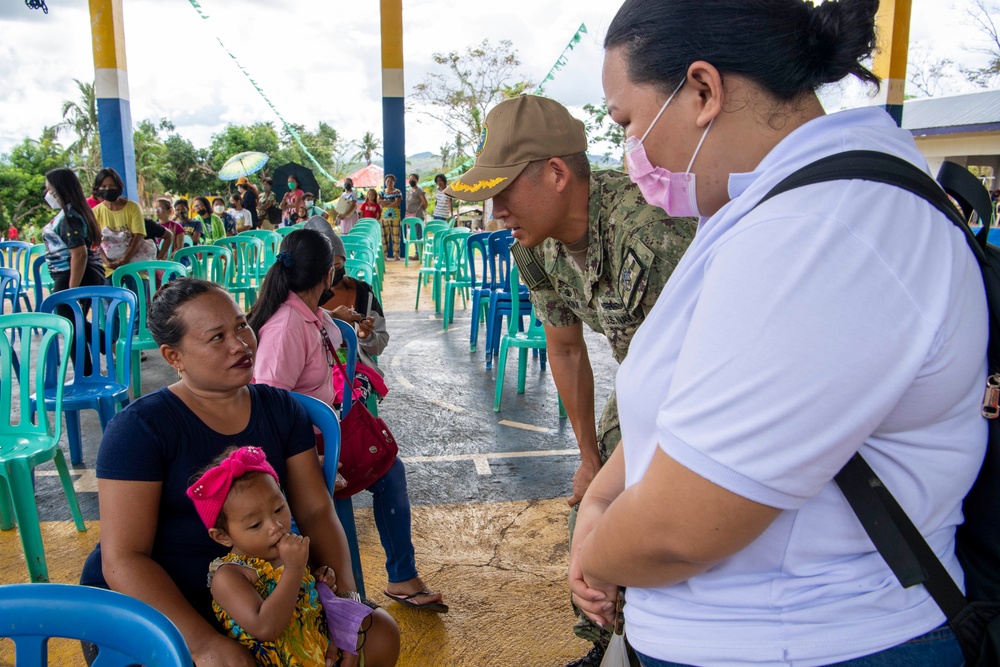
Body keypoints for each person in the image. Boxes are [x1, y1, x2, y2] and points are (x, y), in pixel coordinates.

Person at [568, 2, 988, 666]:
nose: (632, 152)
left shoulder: (826, 229)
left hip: (817, 641)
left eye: (628, 122)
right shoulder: (764, 208)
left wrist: (595, 551)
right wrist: (602, 496)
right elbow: (688, 400)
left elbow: (685, 523)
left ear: (703, 91)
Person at [447, 94, 696, 667]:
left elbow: (705, 363)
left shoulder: (652, 231)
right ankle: (610, 641)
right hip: (644, 385)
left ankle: (650, 640)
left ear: (557, 174)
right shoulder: (534, 251)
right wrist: (588, 454)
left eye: (503, 192)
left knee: (652, 517)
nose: (496, 212)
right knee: (588, 504)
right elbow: (564, 345)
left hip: (699, 389)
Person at [79, 277, 400, 667]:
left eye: (241, 325)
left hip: (264, 592)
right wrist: (202, 644)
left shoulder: (281, 409)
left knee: (378, 636)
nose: (240, 345)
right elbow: (123, 560)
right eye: (216, 337)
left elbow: (316, 512)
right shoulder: (140, 429)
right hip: (165, 606)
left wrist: (343, 606)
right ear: (173, 356)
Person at [249, 229, 447, 614]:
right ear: (328, 276)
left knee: (390, 472)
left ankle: (400, 577)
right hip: (303, 448)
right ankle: (350, 600)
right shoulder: (286, 327)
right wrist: (308, 465)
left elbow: (324, 330)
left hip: (330, 435)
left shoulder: (307, 313)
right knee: (335, 506)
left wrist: (340, 321)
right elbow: (270, 403)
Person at [188, 446, 393, 667]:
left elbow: (302, 597)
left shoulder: (286, 550)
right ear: (222, 536)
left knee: (386, 632)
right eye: (256, 524)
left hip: (315, 651)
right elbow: (266, 627)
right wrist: (294, 570)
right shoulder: (229, 576)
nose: (275, 526)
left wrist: (319, 581)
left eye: (279, 509)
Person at [41, 167, 106, 373]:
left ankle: (85, 374)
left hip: (74, 276)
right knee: (73, 325)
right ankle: (109, 348)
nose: (47, 193)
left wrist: (72, 290)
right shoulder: (74, 212)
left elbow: (79, 254)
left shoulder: (70, 216)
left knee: (69, 326)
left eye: (49, 188)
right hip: (76, 275)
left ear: (59, 189)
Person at [92, 168, 147, 281]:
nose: (108, 189)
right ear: (98, 188)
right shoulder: (95, 212)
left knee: (138, 297)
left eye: (112, 186)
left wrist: (124, 260)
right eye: (104, 186)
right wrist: (107, 262)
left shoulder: (132, 207)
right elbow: (95, 242)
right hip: (107, 269)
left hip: (134, 265)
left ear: (119, 186)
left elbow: (138, 236)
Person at [378, 175, 403, 259]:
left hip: (395, 217)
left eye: (391, 181)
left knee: (396, 236)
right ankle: (384, 255)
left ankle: (396, 254)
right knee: (384, 237)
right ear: (385, 182)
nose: (389, 182)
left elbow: (397, 203)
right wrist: (391, 202)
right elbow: (379, 201)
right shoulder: (381, 192)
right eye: (387, 181)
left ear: (394, 182)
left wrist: (386, 203)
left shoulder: (397, 192)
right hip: (384, 217)